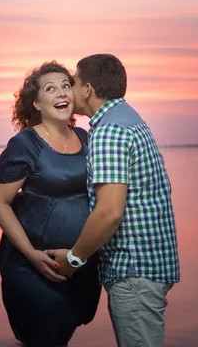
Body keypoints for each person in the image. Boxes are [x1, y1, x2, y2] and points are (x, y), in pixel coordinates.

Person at [46, 54, 180, 347]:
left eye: (73, 83)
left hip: (135, 271)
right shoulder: (128, 119)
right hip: (148, 267)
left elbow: (109, 213)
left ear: (88, 89)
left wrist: (73, 260)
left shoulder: (109, 131)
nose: (69, 91)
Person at [0, 61, 101, 347]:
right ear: (37, 103)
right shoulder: (25, 144)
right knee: (42, 333)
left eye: (66, 85)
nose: (61, 93)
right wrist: (32, 255)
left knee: (61, 332)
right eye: (50, 89)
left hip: (77, 263)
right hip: (31, 264)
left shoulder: (88, 140)